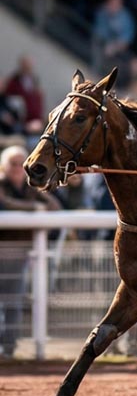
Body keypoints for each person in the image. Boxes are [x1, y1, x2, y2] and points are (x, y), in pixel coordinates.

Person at [0, 145, 62, 358]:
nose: (18, 168)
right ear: (4, 166)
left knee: (13, 303)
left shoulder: (30, 186)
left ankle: (9, 348)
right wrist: (33, 208)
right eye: (13, 163)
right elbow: (4, 203)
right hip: (5, 250)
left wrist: (37, 198)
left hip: (19, 255)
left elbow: (54, 206)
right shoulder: (2, 184)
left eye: (21, 163)